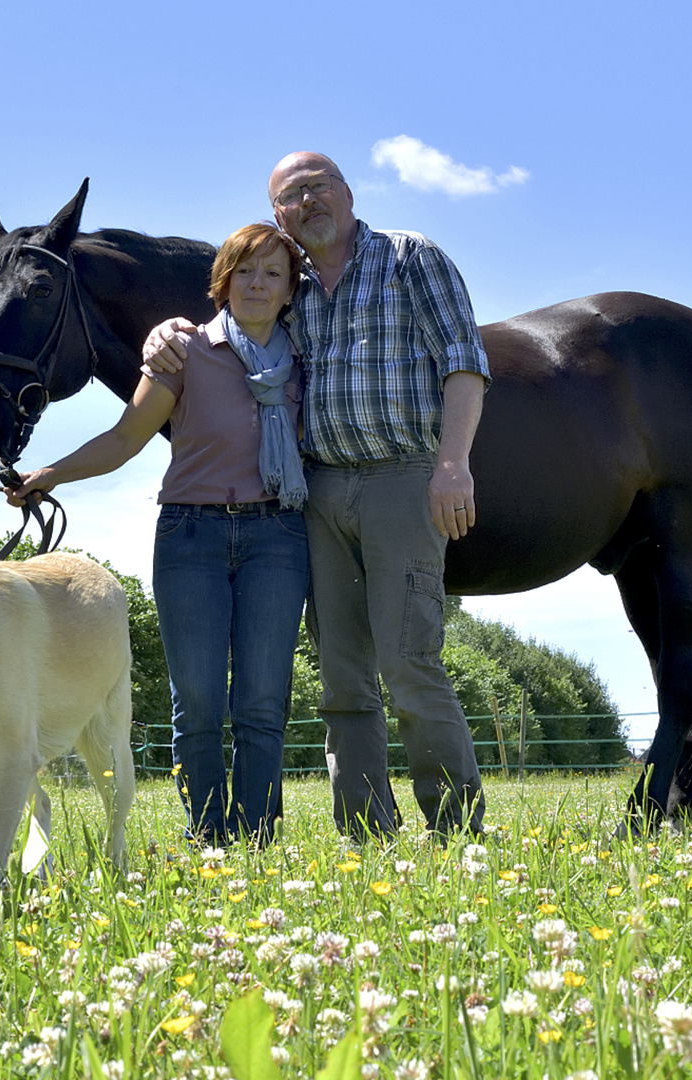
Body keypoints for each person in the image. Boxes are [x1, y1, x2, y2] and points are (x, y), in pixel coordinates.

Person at [145, 151, 488, 841]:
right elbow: (242, 330)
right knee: (342, 674)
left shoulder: (410, 258)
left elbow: (463, 358)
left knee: (408, 660)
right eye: (290, 196)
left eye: (318, 186)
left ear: (349, 193)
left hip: (402, 476)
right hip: (318, 491)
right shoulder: (292, 286)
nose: (308, 201)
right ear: (279, 215)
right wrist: (167, 330)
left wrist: (453, 462)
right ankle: (365, 830)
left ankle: (456, 832)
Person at [10, 223, 309, 846]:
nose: (258, 283)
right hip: (190, 538)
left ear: (289, 291)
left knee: (261, 704)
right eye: (245, 271)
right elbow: (124, 439)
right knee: (196, 703)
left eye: (273, 274)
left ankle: (256, 841)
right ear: (223, 281)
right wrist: (49, 475)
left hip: (278, 538)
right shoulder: (185, 352)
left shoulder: (307, 359)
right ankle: (208, 840)